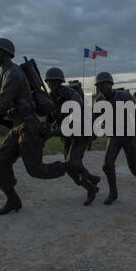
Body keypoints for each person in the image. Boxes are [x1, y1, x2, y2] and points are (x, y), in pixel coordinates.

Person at [0, 38, 77, 215]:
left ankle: (71, 166)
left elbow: (1, 105)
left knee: (37, 170)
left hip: (28, 127)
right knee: (0, 162)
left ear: (5, 53)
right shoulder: (5, 72)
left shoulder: (14, 73)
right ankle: (13, 200)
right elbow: (5, 107)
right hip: (17, 127)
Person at [45, 68, 100, 206]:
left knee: (72, 163)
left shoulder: (72, 95)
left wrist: (57, 131)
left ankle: (89, 180)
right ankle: (91, 186)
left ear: (60, 82)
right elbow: (49, 118)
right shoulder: (50, 98)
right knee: (69, 168)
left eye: (54, 81)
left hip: (82, 132)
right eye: (49, 82)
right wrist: (46, 127)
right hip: (68, 136)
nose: (51, 84)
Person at [94, 71, 136, 205]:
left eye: (104, 84)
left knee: (133, 167)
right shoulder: (99, 101)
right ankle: (113, 193)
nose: (101, 87)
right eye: (99, 85)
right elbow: (95, 119)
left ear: (111, 84)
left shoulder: (125, 96)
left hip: (128, 135)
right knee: (107, 165)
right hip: (114, 136)